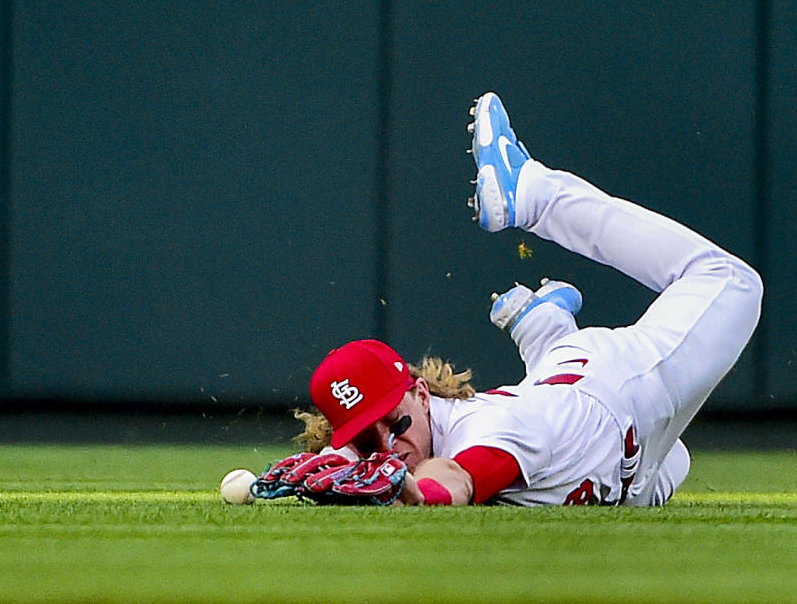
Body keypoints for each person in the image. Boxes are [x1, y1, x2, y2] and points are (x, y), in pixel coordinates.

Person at [288, 92, 762, 506]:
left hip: (622, 393)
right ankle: (545, 329)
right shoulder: (417, 436)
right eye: (368, 442)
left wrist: (416, 492)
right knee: (672, 461)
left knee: (733, 282)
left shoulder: (492, 435)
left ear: (420, 392)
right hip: (618, 455)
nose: (390, 452)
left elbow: (453, 480)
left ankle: (537, 196)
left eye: (394, 426)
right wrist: (341, 455)